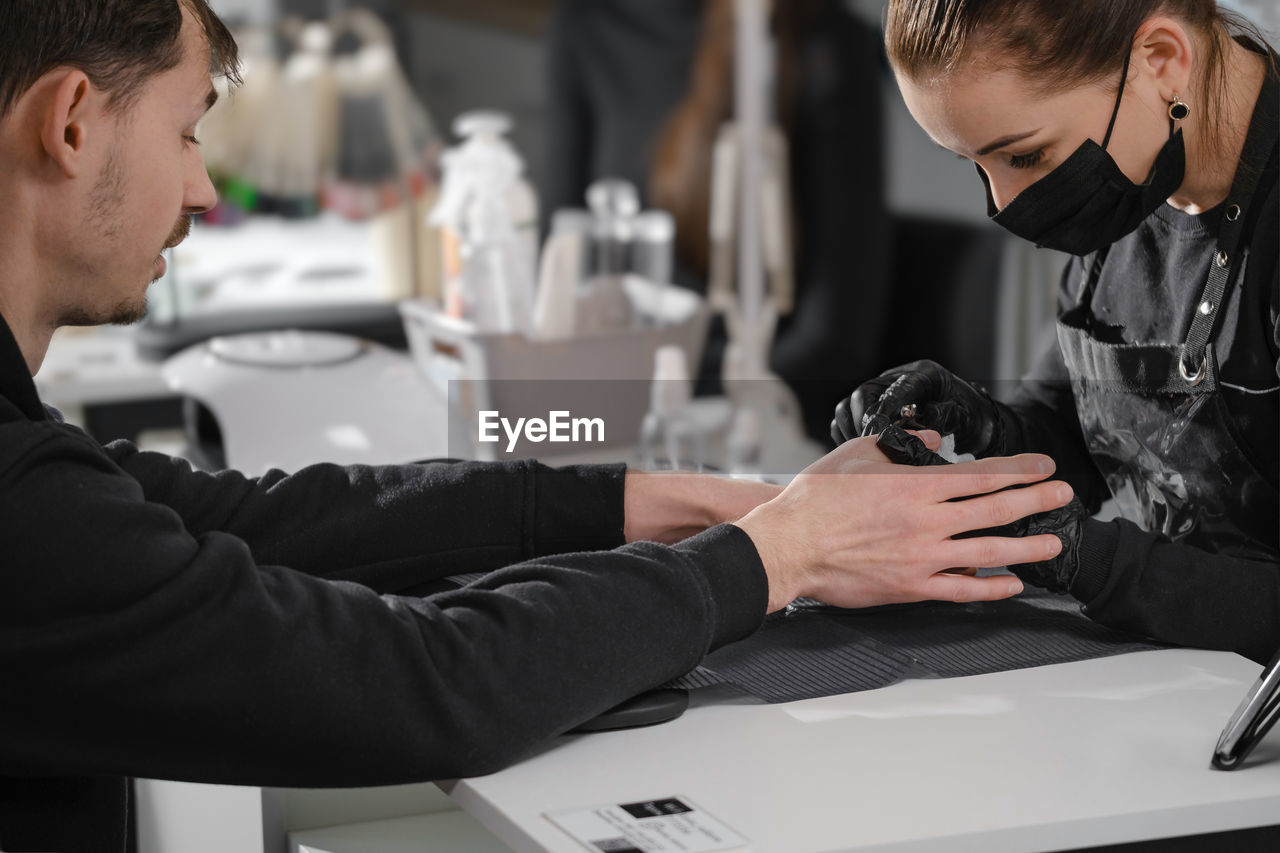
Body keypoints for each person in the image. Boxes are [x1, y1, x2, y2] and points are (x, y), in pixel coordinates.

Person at [0, 2, 1072, 850]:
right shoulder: (25, 512)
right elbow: (421, 680)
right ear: (71, 121)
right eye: (185, 133)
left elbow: (246, 516)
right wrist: (771, 554)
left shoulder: (36, 462)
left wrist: (665, 501)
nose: (203, 189)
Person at [833, 0, 1279, 664]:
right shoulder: (1139, 171)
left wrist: (1083, 558)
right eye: (975, 164)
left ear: (1161, 62)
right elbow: (1077, 432)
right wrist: (985, 429)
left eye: (1025, 153)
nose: (1005, 204)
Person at [544, 0, 891, 441]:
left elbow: (835, 336)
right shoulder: (587, 24)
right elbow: (558, 257)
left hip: (744, 416)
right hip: (611, 395)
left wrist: (709, 408)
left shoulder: (823, 42)